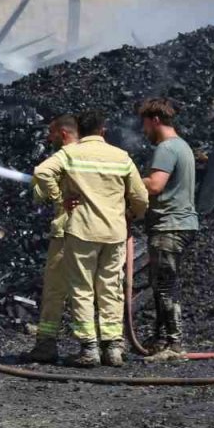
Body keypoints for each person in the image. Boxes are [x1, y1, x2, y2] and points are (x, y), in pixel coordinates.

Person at [34, 110, 148, 368]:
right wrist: (132, 214)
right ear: (103, 130)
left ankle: (89, 349)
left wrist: (59, 198)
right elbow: (140, 195)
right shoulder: (121, 157)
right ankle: (113, 348)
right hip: (114, 232)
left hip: (82, 231)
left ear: (79, 131)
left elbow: (42, 172)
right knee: (110, 287)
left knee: (82, 289)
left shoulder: (70, 153)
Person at [137, 98, 200, 361]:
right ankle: (160, 338)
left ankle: (173, 345)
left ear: (155, 120)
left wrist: (127, 180)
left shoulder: (166, 148)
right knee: (163, 282)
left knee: (164, 286)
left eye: (144, 125)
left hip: (169, 226)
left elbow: (154, 185)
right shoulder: (183, 146)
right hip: (180, 224)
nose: (144, 132)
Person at [26, 114, 79, 364]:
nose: (49, 138)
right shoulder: (99, 156)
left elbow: (42, 182)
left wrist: (57, 197)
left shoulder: (63, 158)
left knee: (55, 291)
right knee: (93, 291)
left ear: (64, 133)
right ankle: (101, 346)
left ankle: (46, 345)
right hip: (100, 233)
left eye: (53, 133)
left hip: (66, 230)